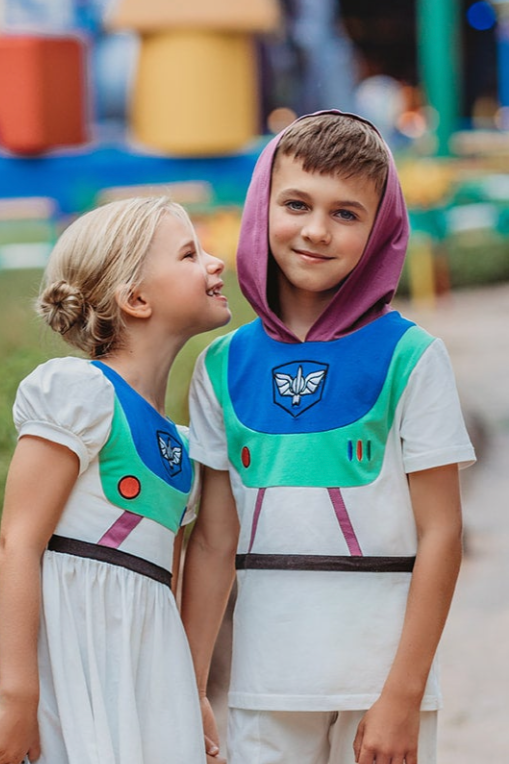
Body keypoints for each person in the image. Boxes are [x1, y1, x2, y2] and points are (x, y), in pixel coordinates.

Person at [181, 111, 476, 764]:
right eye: (295, 203)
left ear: (380, 231)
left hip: (380, 682)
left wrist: (403, 692)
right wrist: (192, 683)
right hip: (264, 679)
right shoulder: (220, 366)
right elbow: (212, 540)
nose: (315, 230)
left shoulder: (411, 357)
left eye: (346, 213)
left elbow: (441, 534)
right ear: (262, 207)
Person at [0, 196, 231, 764]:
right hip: (70, 663)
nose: (216, 262)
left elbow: (166, 579)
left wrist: (190, 691)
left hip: (147, 671)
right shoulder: (80, 394)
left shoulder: (182, 444)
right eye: (190, 253)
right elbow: (19, 541)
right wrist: (17, 692)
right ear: (136, 298)